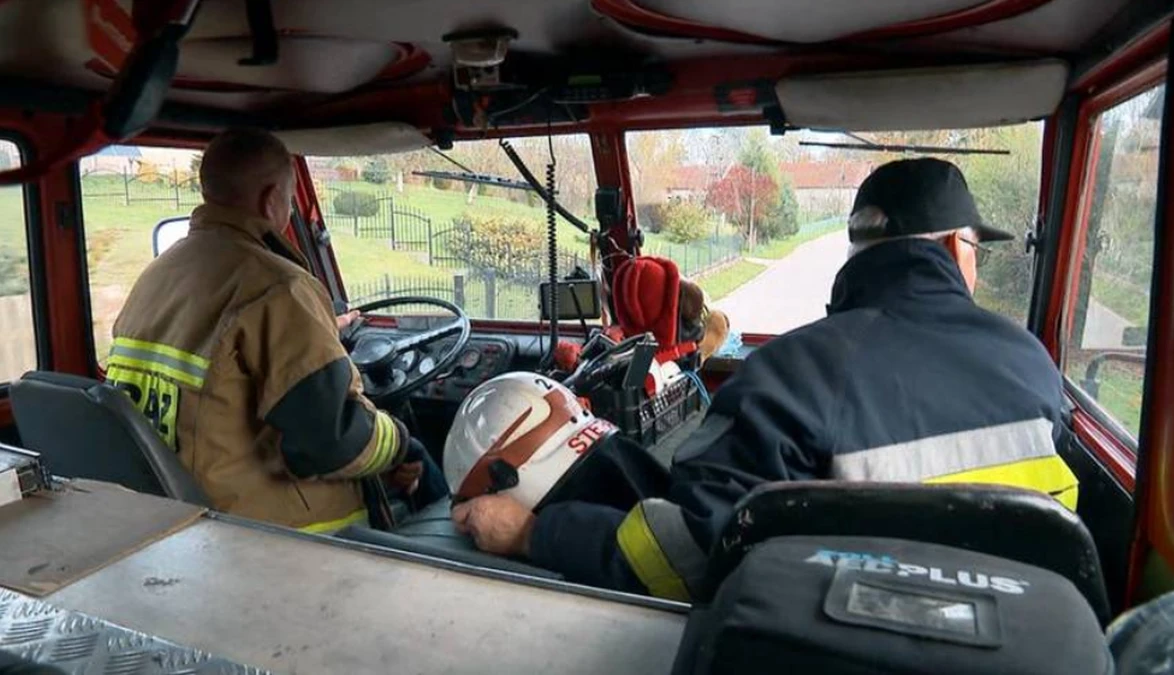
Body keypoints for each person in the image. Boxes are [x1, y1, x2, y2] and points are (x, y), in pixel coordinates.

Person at [451, 157, 1078, 600]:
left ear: (858, 258)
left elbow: (684, 557)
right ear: (952, 251)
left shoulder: (794, 373)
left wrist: (534, 533)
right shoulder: (1034, 363)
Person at [108, 127, 445, 532]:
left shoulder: (156, 275)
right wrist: (400, 441)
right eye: (289, 198)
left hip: (180, 517)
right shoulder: (279, 288)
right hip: (280, 540)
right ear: (272, 200)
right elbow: (329, 443)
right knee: (416, 453)